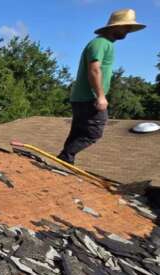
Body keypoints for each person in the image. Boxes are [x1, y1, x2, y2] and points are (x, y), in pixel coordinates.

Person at [58, 9, 145, 164]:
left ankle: (65, 160)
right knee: (94, 132)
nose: (128, 31)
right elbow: (94, 69)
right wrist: (100, 96)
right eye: (126, 27)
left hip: (81, 97)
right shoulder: (101, 43)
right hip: (89, 97)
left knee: (78, 132)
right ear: (116, 26)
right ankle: (66, 156)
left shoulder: (104, 44)